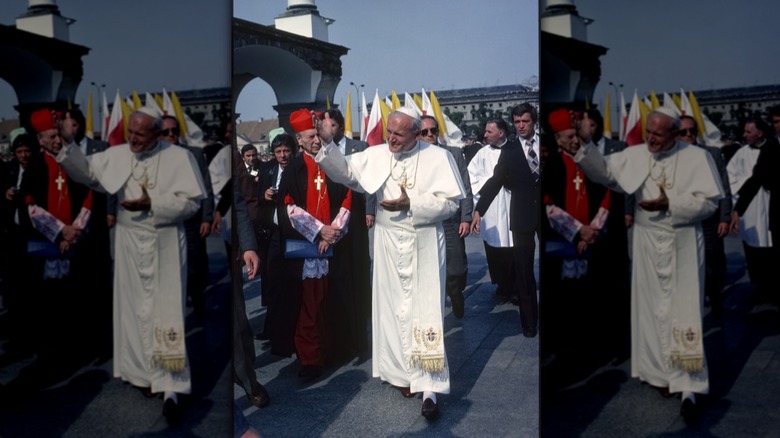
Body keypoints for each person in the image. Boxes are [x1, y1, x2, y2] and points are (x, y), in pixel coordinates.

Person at [566, 108, 723, 420]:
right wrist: (585, 146)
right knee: (651, 308)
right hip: (647, 241)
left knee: (684, 310)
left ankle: (688, 384)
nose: (650, 138)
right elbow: (607, 173)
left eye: (659, 134)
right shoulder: (636, 153)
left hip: (683, 242)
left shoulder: (696, 158)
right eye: (648, 132)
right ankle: (659, 374)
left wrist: (671, 203)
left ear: (676, 135)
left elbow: (709, 203)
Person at [52, 107, 207, 423]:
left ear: (156, 134)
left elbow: (192, 203)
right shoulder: (119, 153)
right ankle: (143, 375)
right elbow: (90, 173)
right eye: (131, 133)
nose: (133, 139)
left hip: (164, 241)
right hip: (129, 242)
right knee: (134, 309)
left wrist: (153, 203)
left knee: (167, 312)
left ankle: (171, 387)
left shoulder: (178, 157)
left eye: (140, 134)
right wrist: (68, 145)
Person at [315, 107, 466, 420]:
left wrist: (411, 202)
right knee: (393, 307)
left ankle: (429, 388)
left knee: (425, 311)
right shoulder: (378, 153)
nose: (391, 139)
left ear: (415, 132)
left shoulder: (438, 157)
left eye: (399, 134)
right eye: (389, 132)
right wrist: (327, 145)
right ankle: (402, 375)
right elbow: (346, 172)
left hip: (423, 239)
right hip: (387, 240)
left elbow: (451, 203)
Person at [274, 109, 353, 381]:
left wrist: (335, 231)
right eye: (311, 136)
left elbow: (348, 195)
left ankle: (332, 349)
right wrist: (319, 231)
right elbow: (288, 207)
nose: (317, 140)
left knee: (330, 302)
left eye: (318, 134)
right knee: (308, 306)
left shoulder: (333, 162)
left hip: (335, 247)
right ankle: (310, 359)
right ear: (299, 139)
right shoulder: (294, 168)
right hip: (307, 251)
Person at [539, 108, 609, 353]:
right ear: (557, 139)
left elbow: (607, 195)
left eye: (576, 135)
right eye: (568, 136)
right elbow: (547, 203)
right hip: (563, 242)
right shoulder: (553, 166)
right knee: (563, 299)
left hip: (594, 239)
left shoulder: (593, 162)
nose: (574, 141)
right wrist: (579, 231)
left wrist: (593, 231)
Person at [470, 104, 541, 338]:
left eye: (525, 121)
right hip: (521, 216)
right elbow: (495, 182)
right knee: (524, 270)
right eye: (517, 121)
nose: (521, 126)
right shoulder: (509, 151)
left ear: (534, 121)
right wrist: (479, 210)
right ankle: (529, 324)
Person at [319, 109, 373, 355]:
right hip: (332, 220)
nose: (324, 130)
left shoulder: (359, 146)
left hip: (357, 217)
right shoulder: (320, 148)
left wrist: (370, 210)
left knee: (358, 272)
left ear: (338, 126)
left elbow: (370, 183)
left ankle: (360, 337)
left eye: (327, 125)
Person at [159, 115, 215, 323]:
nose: (171, 135)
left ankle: (198, 302)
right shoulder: (153, 158)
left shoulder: (195, 154)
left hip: (192, 221)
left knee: (196, 267)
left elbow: (206, 189)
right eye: (165, 132)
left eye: (174, 130)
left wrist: (207, 218)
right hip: (166, 223)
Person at [678, 115, 732, 318]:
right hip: (685, 220)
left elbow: (724, 188)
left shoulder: (713, 154)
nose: (689, 135)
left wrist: (725, 217)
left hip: (710, 219)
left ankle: (716, 298)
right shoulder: (671, 157)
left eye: (692, 130)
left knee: (713, 264)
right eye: (683, 132)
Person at [420, 114, 473, 318]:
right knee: (430, 270)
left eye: (434, 130)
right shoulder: (413, 157)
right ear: (418, 135)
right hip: (427, 221)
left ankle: (455, 292)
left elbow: (465, 188)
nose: (430, 135)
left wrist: (466, 217)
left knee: (457, 269)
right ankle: (437, 306)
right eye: (425, 132)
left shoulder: (454, 154)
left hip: (451, 221)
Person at [729, 117, 780, 302]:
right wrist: (738, 209)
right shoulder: (761, 150)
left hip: (769, 203)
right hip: (755, 206)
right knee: (758, 248)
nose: (744, 135)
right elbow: (753, 178)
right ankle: (764, 285)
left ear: (760, 133)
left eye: (748, 132)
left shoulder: (772, 145)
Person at [467, 118, 516, 303]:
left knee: (514, 243)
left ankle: (516, 285)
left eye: (489, 132)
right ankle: (502, 284)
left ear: (501, 133)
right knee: (495, 244)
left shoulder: (515, 150)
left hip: (511, 202)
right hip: (491, 204)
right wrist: (490, 182)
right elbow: (472, 176)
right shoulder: (482, 153)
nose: (485, 135)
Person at [254, 132, 295, 343]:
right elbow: (257, 198)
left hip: (295, 232)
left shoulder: (298, 168)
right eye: (278, 152)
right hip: (273, 233)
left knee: (293, 282)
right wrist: (265, 196)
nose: (283, 156)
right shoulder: (268, 169)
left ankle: (290, 330)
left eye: (286, 151)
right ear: (273, 153)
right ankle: (272, 328)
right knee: (273, 280)